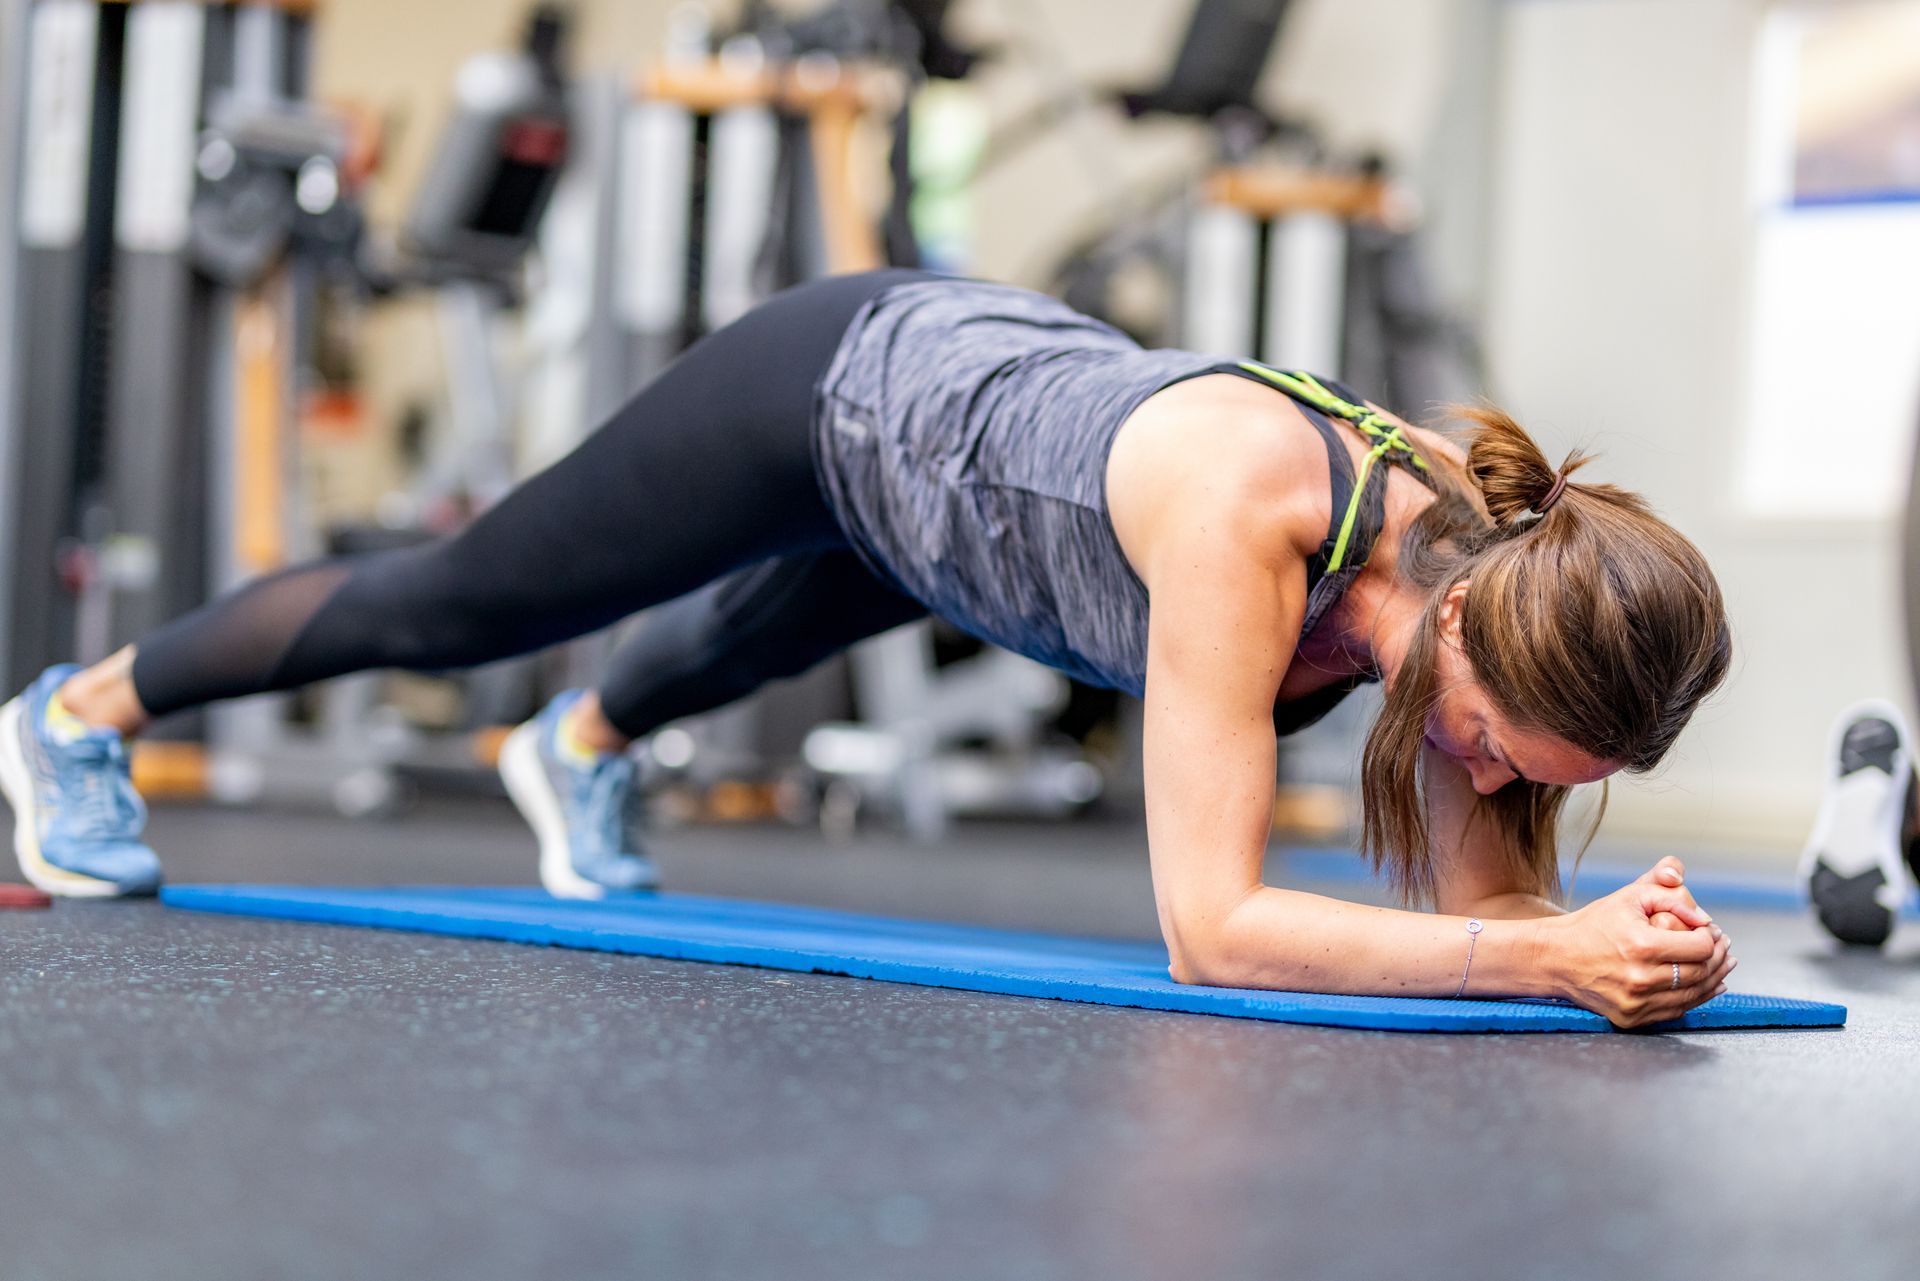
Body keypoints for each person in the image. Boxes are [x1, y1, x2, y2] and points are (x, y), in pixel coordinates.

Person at [0, 268, 1735, 1028]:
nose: (1487, 778)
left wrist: (1610, 938)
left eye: (1537, 783)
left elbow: (1495, 913)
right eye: (1503, 744)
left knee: (842, 598)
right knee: (467, 604)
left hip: (980, 504)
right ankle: (75, 712)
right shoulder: (1249, 523)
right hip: (842, 391)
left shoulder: (1490, 588)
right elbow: (1215, 931)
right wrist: (1531, 960)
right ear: (1449, 623)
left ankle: (581, 751)